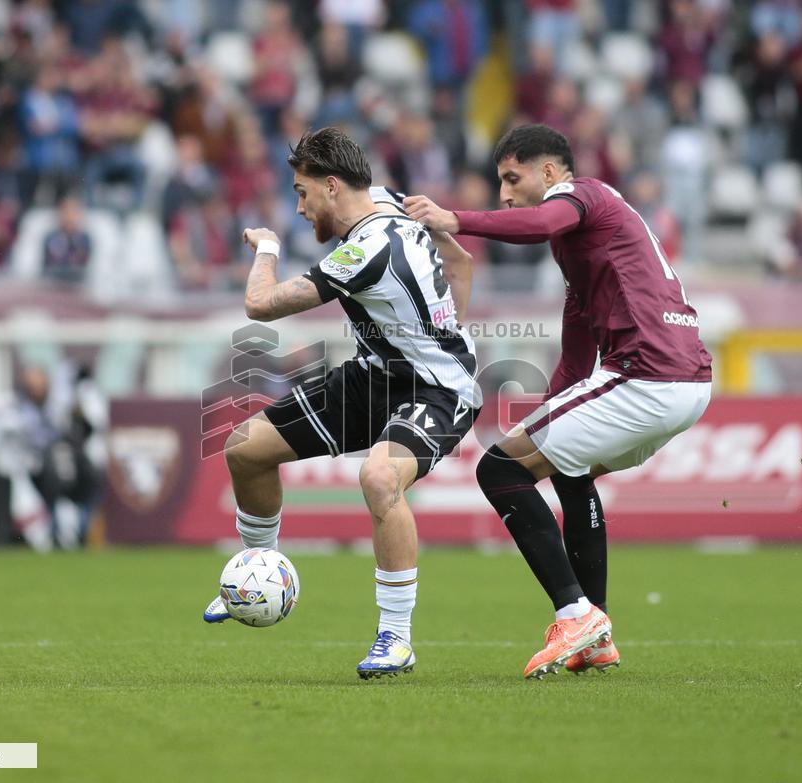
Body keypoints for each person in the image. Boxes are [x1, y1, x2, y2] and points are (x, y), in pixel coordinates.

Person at [404, 124, 712, 678]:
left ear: (549, 173)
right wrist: (547, 422)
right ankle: (596, 632)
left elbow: (540, 220)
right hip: (684, 381)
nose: (503, 193)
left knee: (499, 469)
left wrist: (455, 218)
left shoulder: (582, 195)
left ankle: (575, 614)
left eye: (510, 178)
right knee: (566, 469)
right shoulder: (581, 245)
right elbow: (576, 351)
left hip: (649, 374)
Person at [202, 127, 482, 679]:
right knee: (246, 448)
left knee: (380, 480)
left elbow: (259, 304)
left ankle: (396, 638)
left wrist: (267, 248)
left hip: (437, 388)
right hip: (373, 376)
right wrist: (443, 322)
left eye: (303, 194)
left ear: (332, 187)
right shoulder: (393, 200)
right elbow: (462, 263)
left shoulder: (363, 251)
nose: (300, 207)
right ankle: (260, 570)